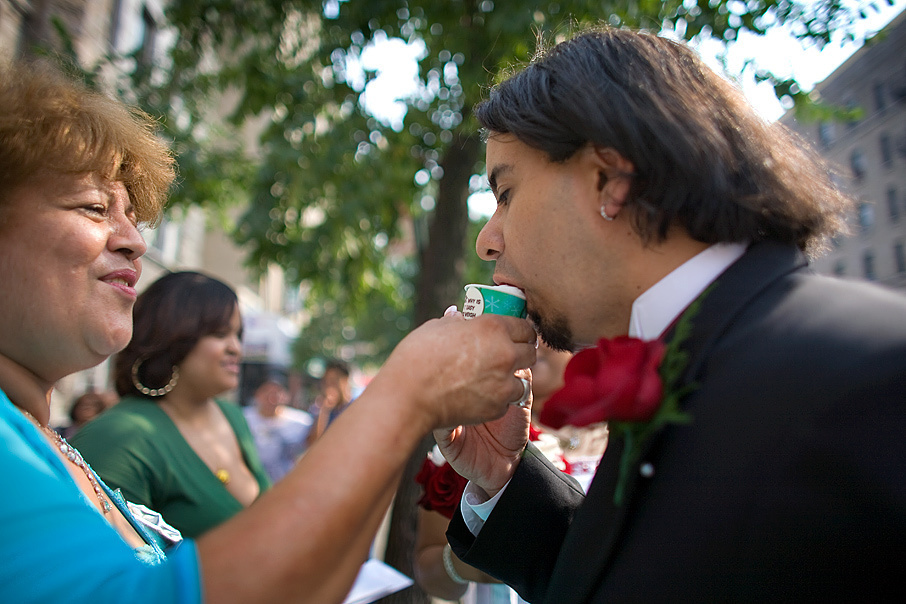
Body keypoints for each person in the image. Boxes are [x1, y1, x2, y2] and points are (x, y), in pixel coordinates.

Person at [0, 58, 537, 603]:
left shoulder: (43, 439)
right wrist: (409, 392)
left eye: (133, 218)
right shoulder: (96, 435)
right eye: (94, 208)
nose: (135, 241)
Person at [439, 27, 906, 603]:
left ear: (610, 179)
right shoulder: (676, 357)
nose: (486, 240)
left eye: (505, 193)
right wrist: (504, 476)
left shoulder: (876, 377)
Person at [72, 271, 272, 538]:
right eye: (220, 333)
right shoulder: (119, 437)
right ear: (171, 336)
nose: (236, 348)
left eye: (238, 334)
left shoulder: (232, 416)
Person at [413, 343, 607, 603]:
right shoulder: (473, 436)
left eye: (541, 325)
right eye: (517, 323)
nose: (531, 339)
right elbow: (429, 574)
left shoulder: (623, 430)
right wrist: (481, 560)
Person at [242, 376, 313, 482]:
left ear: (286, 396)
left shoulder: (302, 421)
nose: (271, 397)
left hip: (284, 482)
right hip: (250, 481)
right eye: (266, 391)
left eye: (277, 392)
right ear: (257, 394)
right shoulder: (243, 417)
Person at [306, 358, 354, 445]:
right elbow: (312, 443)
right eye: (326, 381)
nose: (329, 386)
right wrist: (324, 411)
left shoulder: (355, 407)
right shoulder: (319, 408)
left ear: (345, 380)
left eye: (333, 381)